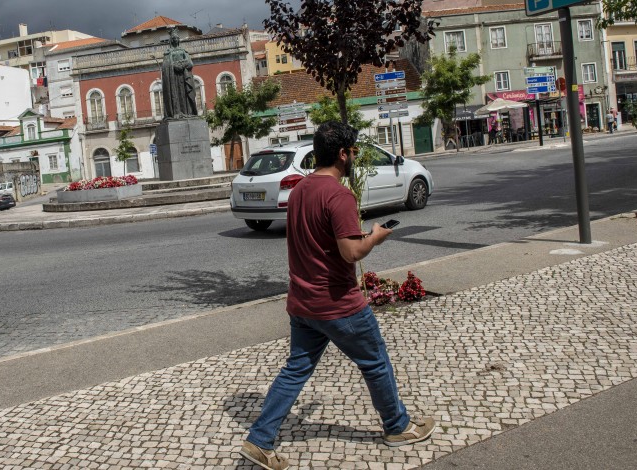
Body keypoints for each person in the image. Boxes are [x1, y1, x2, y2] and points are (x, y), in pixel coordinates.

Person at [238, 121, 436, 470]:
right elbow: (350, 254)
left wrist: (351, 235)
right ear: (343, 154)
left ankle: (259, 440)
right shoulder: (340, 194)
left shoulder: (299, 190)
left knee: (295, 370)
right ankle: (398, 427)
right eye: (353, 151)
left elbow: (316, 238)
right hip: (338, 304)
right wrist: (374, 236)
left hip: (302, 302)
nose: (354, 157)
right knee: (375, 362)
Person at [161, 28, 198, 119]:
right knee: (175, 94)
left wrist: (182, 65)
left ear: (178, 40)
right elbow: (165, 66)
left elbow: (190, 63)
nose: (175, 40)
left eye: (176, 38)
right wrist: (173, 66)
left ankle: (187, 112)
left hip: (183, 76)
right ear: (171, 40)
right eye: (173, 38)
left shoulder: (183, 51)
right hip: (173, 77)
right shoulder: (168, 53)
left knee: (185, 94)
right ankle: (176, 112)